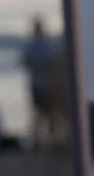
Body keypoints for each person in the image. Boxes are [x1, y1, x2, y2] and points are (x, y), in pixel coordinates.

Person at [21, 17, 66, 146]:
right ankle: (51, 140)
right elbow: (52, 64)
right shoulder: (47, 45)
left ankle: (38, 139)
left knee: (38, 112)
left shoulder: (30, 46)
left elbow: (25, 63)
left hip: (36, 83)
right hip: (47, 83)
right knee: (50, 113)